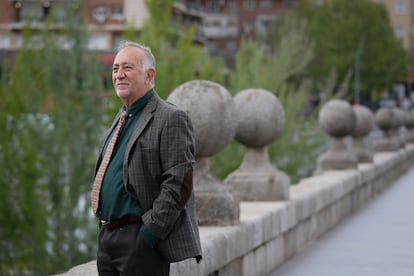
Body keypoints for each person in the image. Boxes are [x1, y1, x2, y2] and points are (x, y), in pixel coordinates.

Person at [91, 40, 202, 275]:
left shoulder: (171, 117)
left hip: (139, 241)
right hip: (108, 240)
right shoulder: (122, 117)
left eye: (127, 68)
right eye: (115, 68)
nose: (119, 75)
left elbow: (179, 183)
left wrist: (148, 233)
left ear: (149, 75)